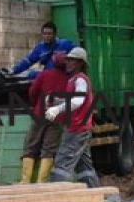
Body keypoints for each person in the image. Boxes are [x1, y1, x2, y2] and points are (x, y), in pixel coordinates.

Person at [44, 47, 100, 188]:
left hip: (77, 128)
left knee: (62, 164)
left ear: (80, 63)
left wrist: (57, 108)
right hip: (79, 127)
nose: (68, 62)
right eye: (67, 60)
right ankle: (97, 196)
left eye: (72, 60)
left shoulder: (80, 79)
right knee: (84, 167)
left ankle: (56, 198)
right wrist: (55, 101)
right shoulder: (74, 80)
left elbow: (77, 101)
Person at [19, 51, 69, 183]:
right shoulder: (69, 79)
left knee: (30, 146)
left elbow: (32, 92)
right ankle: (42, 182)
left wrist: (35, 104)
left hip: (40, 114)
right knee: (49, 149)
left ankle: (25, 181)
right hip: (57, 117)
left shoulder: (44, 75)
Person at [6, 22, 75, 78]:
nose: (47, 36)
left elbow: (79, 56)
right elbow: (28, 61)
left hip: (64, 76)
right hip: (48, 76)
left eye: (49, 34)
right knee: (31, 74)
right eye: (44, 34)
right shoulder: (40, 48)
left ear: (55, 34)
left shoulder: (65, 44)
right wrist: (12, 70)